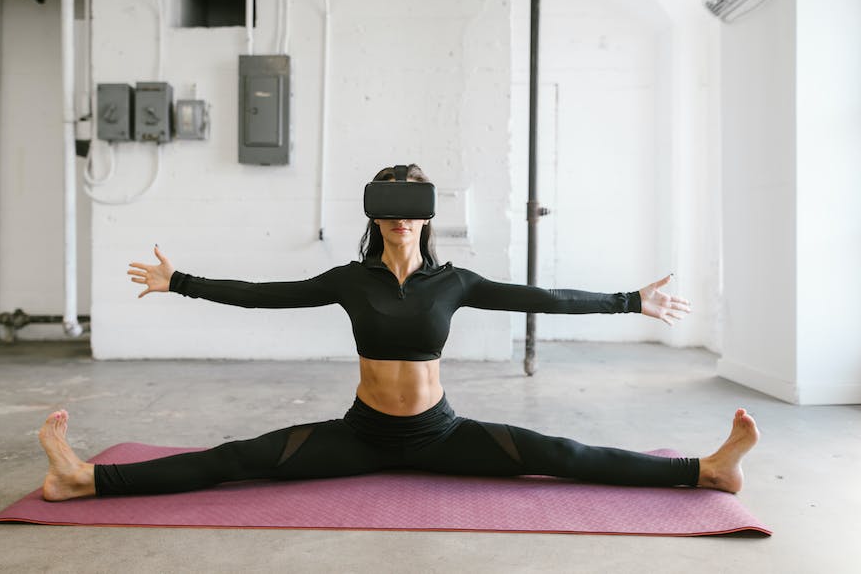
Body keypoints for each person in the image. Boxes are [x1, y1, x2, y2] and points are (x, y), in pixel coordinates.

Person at [38, 164, 759, 502]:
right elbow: (264, 295)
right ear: (375, 213)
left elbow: (543, 296)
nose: (399, 215)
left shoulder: (459, 282)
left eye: (411, 203)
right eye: (388, 203)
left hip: (441, 432)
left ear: (425, 214)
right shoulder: (350, 279)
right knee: (235, 457)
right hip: (362, 432)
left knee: (562, 452)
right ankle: (83, 477)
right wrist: (182, 281)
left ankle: (705, 470)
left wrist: (629, 300)